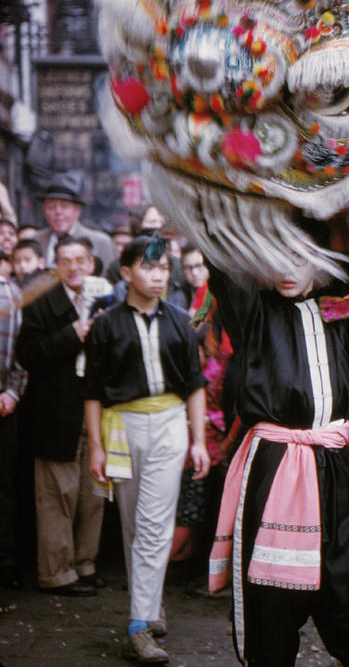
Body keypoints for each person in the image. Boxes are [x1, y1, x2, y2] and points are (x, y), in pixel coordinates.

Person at [207, 254, 349, 667]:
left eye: (299, 259)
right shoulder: (254, 314)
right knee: (270, 615)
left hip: (332, 470)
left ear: (322, 262)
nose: (286, 271)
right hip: (273, 471)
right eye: (275, 258)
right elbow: (224, 261)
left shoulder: (342, 311)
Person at [84, 236, 210, 664]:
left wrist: (197, 440)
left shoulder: (180, 320)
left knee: (155, 524)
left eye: (163, 269)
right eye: (147, 267)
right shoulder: (106, 324)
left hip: (171, 425)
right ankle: (152, 605)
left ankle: (139, 624)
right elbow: (92, 392)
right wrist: (95, 449)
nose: (158, 276)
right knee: (133, 524)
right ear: (125, 273)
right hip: (123, 427)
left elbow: (195, 384)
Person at [15, 235, 104, 596]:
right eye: (65, 261)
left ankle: (85, 563)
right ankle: (57, 572)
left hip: (96, 409)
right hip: (54, 411)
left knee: (93, 494)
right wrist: (72, 335)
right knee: (56, 495)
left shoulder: (105, 299)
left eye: (80, 260)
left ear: (92, 264)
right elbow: (28, 355)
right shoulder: (39, 302)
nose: (74, 268)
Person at [0, 272, 26, 589]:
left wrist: (12, 392)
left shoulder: (12, 293)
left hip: (3, 405)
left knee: (3, 489)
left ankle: (4, 563)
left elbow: (23, 352)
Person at [35, 173, 116, 274]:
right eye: (51, 207)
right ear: (44, 210)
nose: (58, 212)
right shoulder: (35, 241)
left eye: (65, 206)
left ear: (77, 210)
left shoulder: (101, 243)